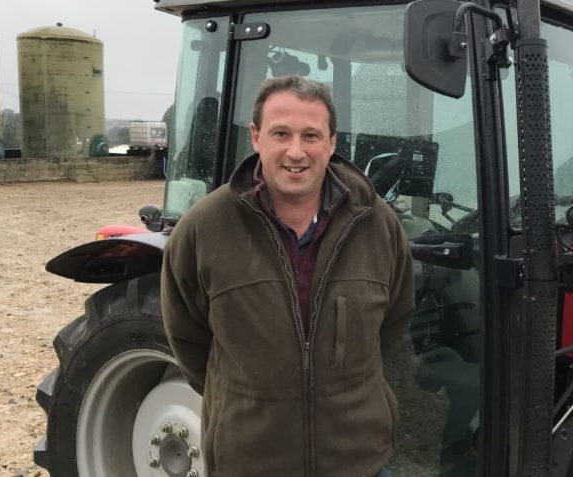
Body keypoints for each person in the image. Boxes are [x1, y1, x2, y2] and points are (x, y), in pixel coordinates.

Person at [162, 75, 414, 477]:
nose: (296, 152)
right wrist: (245, 399)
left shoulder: (377, 224)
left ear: (332, 143)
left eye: (311, 135)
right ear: (257, 137)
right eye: (281, 133)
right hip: (251, 462)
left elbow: (393, 319)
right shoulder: (204, 228)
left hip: (357, 461)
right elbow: (188, 339)